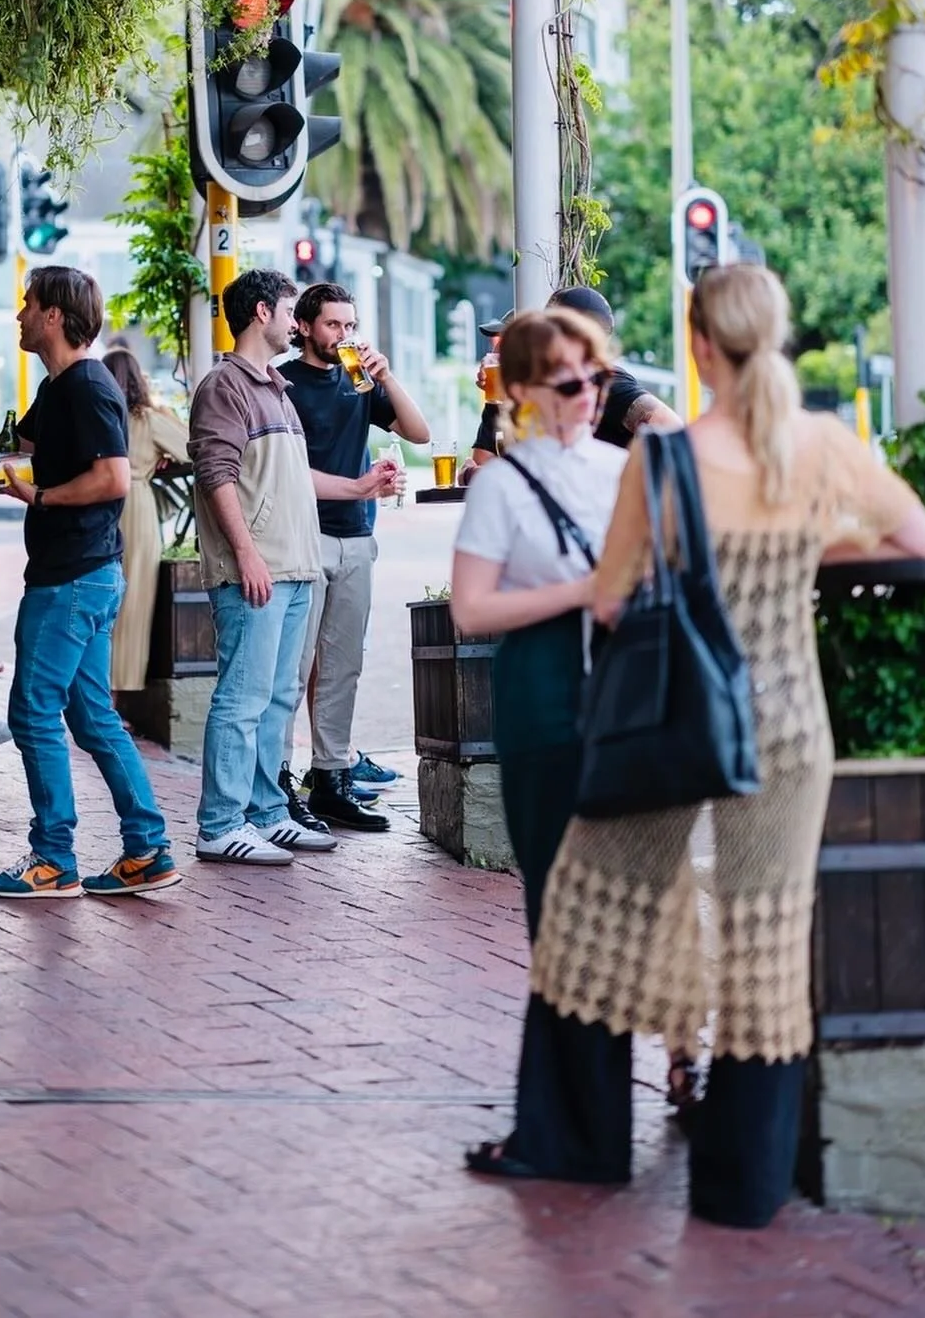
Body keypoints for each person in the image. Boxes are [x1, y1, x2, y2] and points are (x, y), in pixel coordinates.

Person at [469, 265, 925, 1230]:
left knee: (589, 916)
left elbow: (612, 595)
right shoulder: (821, 446)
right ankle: (745, 1186)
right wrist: (809, 547)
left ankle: (576, 1139)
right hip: (792, 728)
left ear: (697, 346)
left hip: (676, 719)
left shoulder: (666, 462)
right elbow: (920, 542)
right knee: (766, 941)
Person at [0, 266, 180, 900]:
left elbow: (114, 479)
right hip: (86, 577)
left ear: (56, 316)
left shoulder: (87, 386)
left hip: (71, 580)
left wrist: (43, 497)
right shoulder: (61, 386)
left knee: (32, 712)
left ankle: (52, 859)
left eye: (28, 304)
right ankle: (146, 849)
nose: (19, 316)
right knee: (92, 716)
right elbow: (4, 453)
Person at [450, 306, 625, 941]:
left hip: (621, 683)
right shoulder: (504, 484)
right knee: (555, 894)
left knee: (620, 891)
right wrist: (582, 591)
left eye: (598, 378)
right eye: (571, 383)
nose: (589, 395)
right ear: (521, 391)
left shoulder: (622, 469)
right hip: (543, 686)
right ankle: (566, 1035)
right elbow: (470, 609)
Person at [187, 269, 334, 865]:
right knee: (242, 698)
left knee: (276, 699)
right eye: (290, 311)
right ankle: (220, 823)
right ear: (261, 313)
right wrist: (247, 553)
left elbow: (289, 480)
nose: (296, 323)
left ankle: (268, 812)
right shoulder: (227, 386)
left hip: (294, 568)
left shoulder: (276, 385)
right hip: (258, 570)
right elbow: (216, 473)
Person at [278, 282, 429, 833]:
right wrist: (359, 485)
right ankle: (277, 780)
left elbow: (419, 432)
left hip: (357, 537)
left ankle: (332, 778)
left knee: (344, 665)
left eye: (350, 325)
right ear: (304, 327)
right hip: (302, 538)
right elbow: (284, 473)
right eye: (333, 325)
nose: (344, 336)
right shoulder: (283, 383)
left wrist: (386, 376)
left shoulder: (360, 378)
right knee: (293, 670)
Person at [460, 288, 679, 483]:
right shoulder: (513, 393)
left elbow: (673, 431)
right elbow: (484, 466)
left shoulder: (609, 383)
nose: (495, 351)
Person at [101, 347, 190, 695]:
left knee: (101, 599)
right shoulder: (147, 420)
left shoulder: (100, 416)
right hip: (136, 509)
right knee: (134, 603)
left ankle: (93, 691)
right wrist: (161, 458)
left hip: (100, 506)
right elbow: (194, 446)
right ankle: (119, 695)